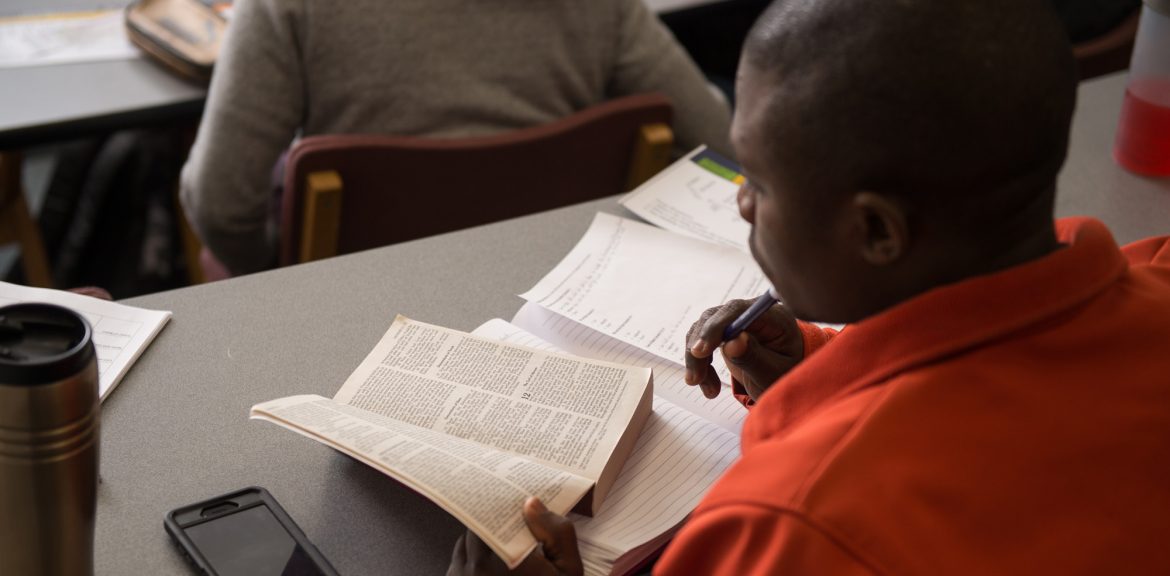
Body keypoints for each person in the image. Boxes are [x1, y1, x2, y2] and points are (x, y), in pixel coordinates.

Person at [447, 0, 1170, 573]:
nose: (741, 204)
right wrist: (824, 367)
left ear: (878, 233)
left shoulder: (788, 528)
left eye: (759, 182)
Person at [180, 0, 734, 277]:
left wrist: (283, 283)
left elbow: (220, 204)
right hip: (551, 288)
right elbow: (720, 141)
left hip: (349, 301)